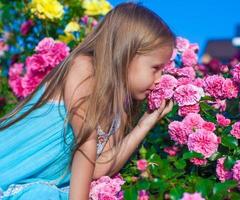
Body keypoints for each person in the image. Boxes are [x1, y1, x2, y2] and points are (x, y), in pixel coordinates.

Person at [0, 2, 175, 199]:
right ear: (127, 54)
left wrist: (145, 123)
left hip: (37, 184)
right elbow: (86, 142)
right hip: (8, 170)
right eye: (155, 68)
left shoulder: (119, 109)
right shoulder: (85, 68)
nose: (160, 78)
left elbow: (99, 168)